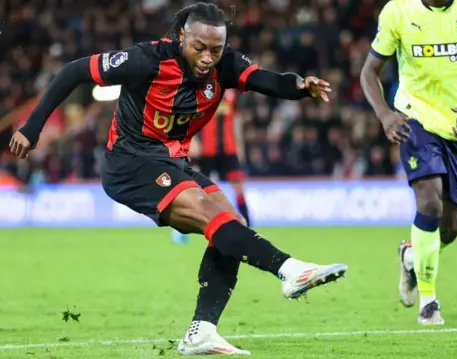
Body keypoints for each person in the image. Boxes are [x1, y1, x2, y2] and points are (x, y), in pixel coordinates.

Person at [9, 2, 347, 355]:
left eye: (215, 50)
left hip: (172, 162)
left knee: (233, 223)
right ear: (182, 36)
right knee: (214, 217)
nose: (207, 58)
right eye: (199, 47)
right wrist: (32, 128)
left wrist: (300, 87)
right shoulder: (147, 60)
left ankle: (202, 331)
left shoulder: (224, 65)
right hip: (130, 163)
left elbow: (268, 80)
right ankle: (290, 270)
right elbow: (73, 71)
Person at [360, 0, 457, 325]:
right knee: (429, 202)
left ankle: (411, 255)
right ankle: (429, 303)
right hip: (414, 117)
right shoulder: (398, 11)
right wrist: (385, 114)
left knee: (450, 229)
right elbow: (369, 72)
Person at [171, 89, 249, 244]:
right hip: (206, 149)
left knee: (239, 187)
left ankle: (249, 230)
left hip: (228, 148)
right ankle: (179, 230)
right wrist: (192, 141)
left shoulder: (231, 94)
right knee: (193, 190)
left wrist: (240, 145)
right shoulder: (201, 88)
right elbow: (188, 117)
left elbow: (235, 120)